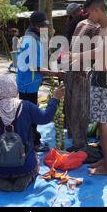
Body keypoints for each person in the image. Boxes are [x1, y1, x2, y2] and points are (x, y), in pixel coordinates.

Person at [0, 75, 65, 192]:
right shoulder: (26, 106)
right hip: (24, 164)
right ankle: (27, 177)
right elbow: (46, 117)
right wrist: (55, 98)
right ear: (13, 88)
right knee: (35, 160)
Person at [71, 0, 107, 176]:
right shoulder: (103, 28)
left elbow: (99, 52)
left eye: (90, 12)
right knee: (100, 121)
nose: (88, 16)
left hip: (103, 78)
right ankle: (105, 160)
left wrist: (77, 56)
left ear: (98, 10)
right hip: (99, 76)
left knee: (102, 121)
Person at [16, 11, 64, 152]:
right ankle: (34, 143)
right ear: (33, 25)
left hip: (30, 83)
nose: (44, 28)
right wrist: (55, 73)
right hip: (27, 84)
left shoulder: (34, 38)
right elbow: (34, 67)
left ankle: (32, 139)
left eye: (45, 25)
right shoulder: (30, 41)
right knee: (30, 116)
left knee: (29, 114)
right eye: (41, 26)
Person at [65, 8, 101, 152]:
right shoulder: (96, 28)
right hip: (81, 71)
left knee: (72, 105)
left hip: (71, 68)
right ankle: (80, 144)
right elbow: (97, 53)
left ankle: (75, 137)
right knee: (81, 108)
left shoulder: (81, 24)